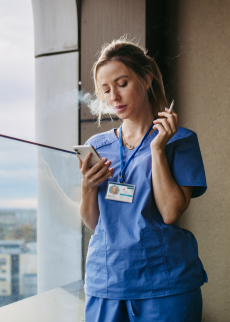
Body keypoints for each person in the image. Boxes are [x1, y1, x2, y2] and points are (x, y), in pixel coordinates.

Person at [79, 38, 208, 322]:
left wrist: (158, 149)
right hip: (107, 279)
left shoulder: (180, 141)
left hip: (165, 282)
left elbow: (171, 212)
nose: (114, 96)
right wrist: (88, 187)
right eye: (105, 89)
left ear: (146, 79)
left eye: (122, 83)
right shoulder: (96, 146)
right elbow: (93, 222)